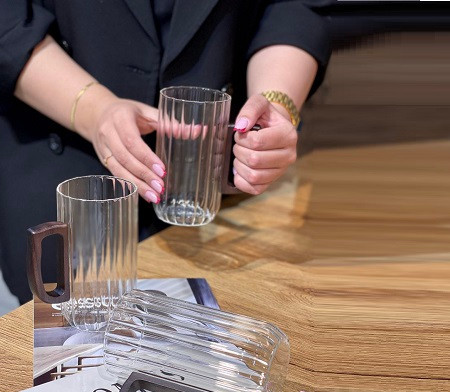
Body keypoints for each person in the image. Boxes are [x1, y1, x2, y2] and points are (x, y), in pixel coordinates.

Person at [0, 0, 332, 304]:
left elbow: (295, 6)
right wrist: (93, 110)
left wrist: (276, 105)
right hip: (63, 163)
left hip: (213, 195)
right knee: (69, 328)